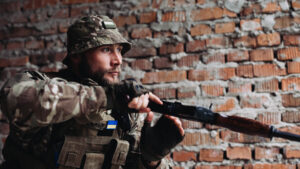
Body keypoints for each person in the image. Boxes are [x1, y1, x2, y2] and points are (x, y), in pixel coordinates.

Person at [0, 15, 184, 169]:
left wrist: (152, 159)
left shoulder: (124, 109)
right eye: (106, 49)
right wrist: (107, 97)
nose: (118, 60)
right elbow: (16, 99)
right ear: (77, 55)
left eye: (119, 50)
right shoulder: (43, 84)